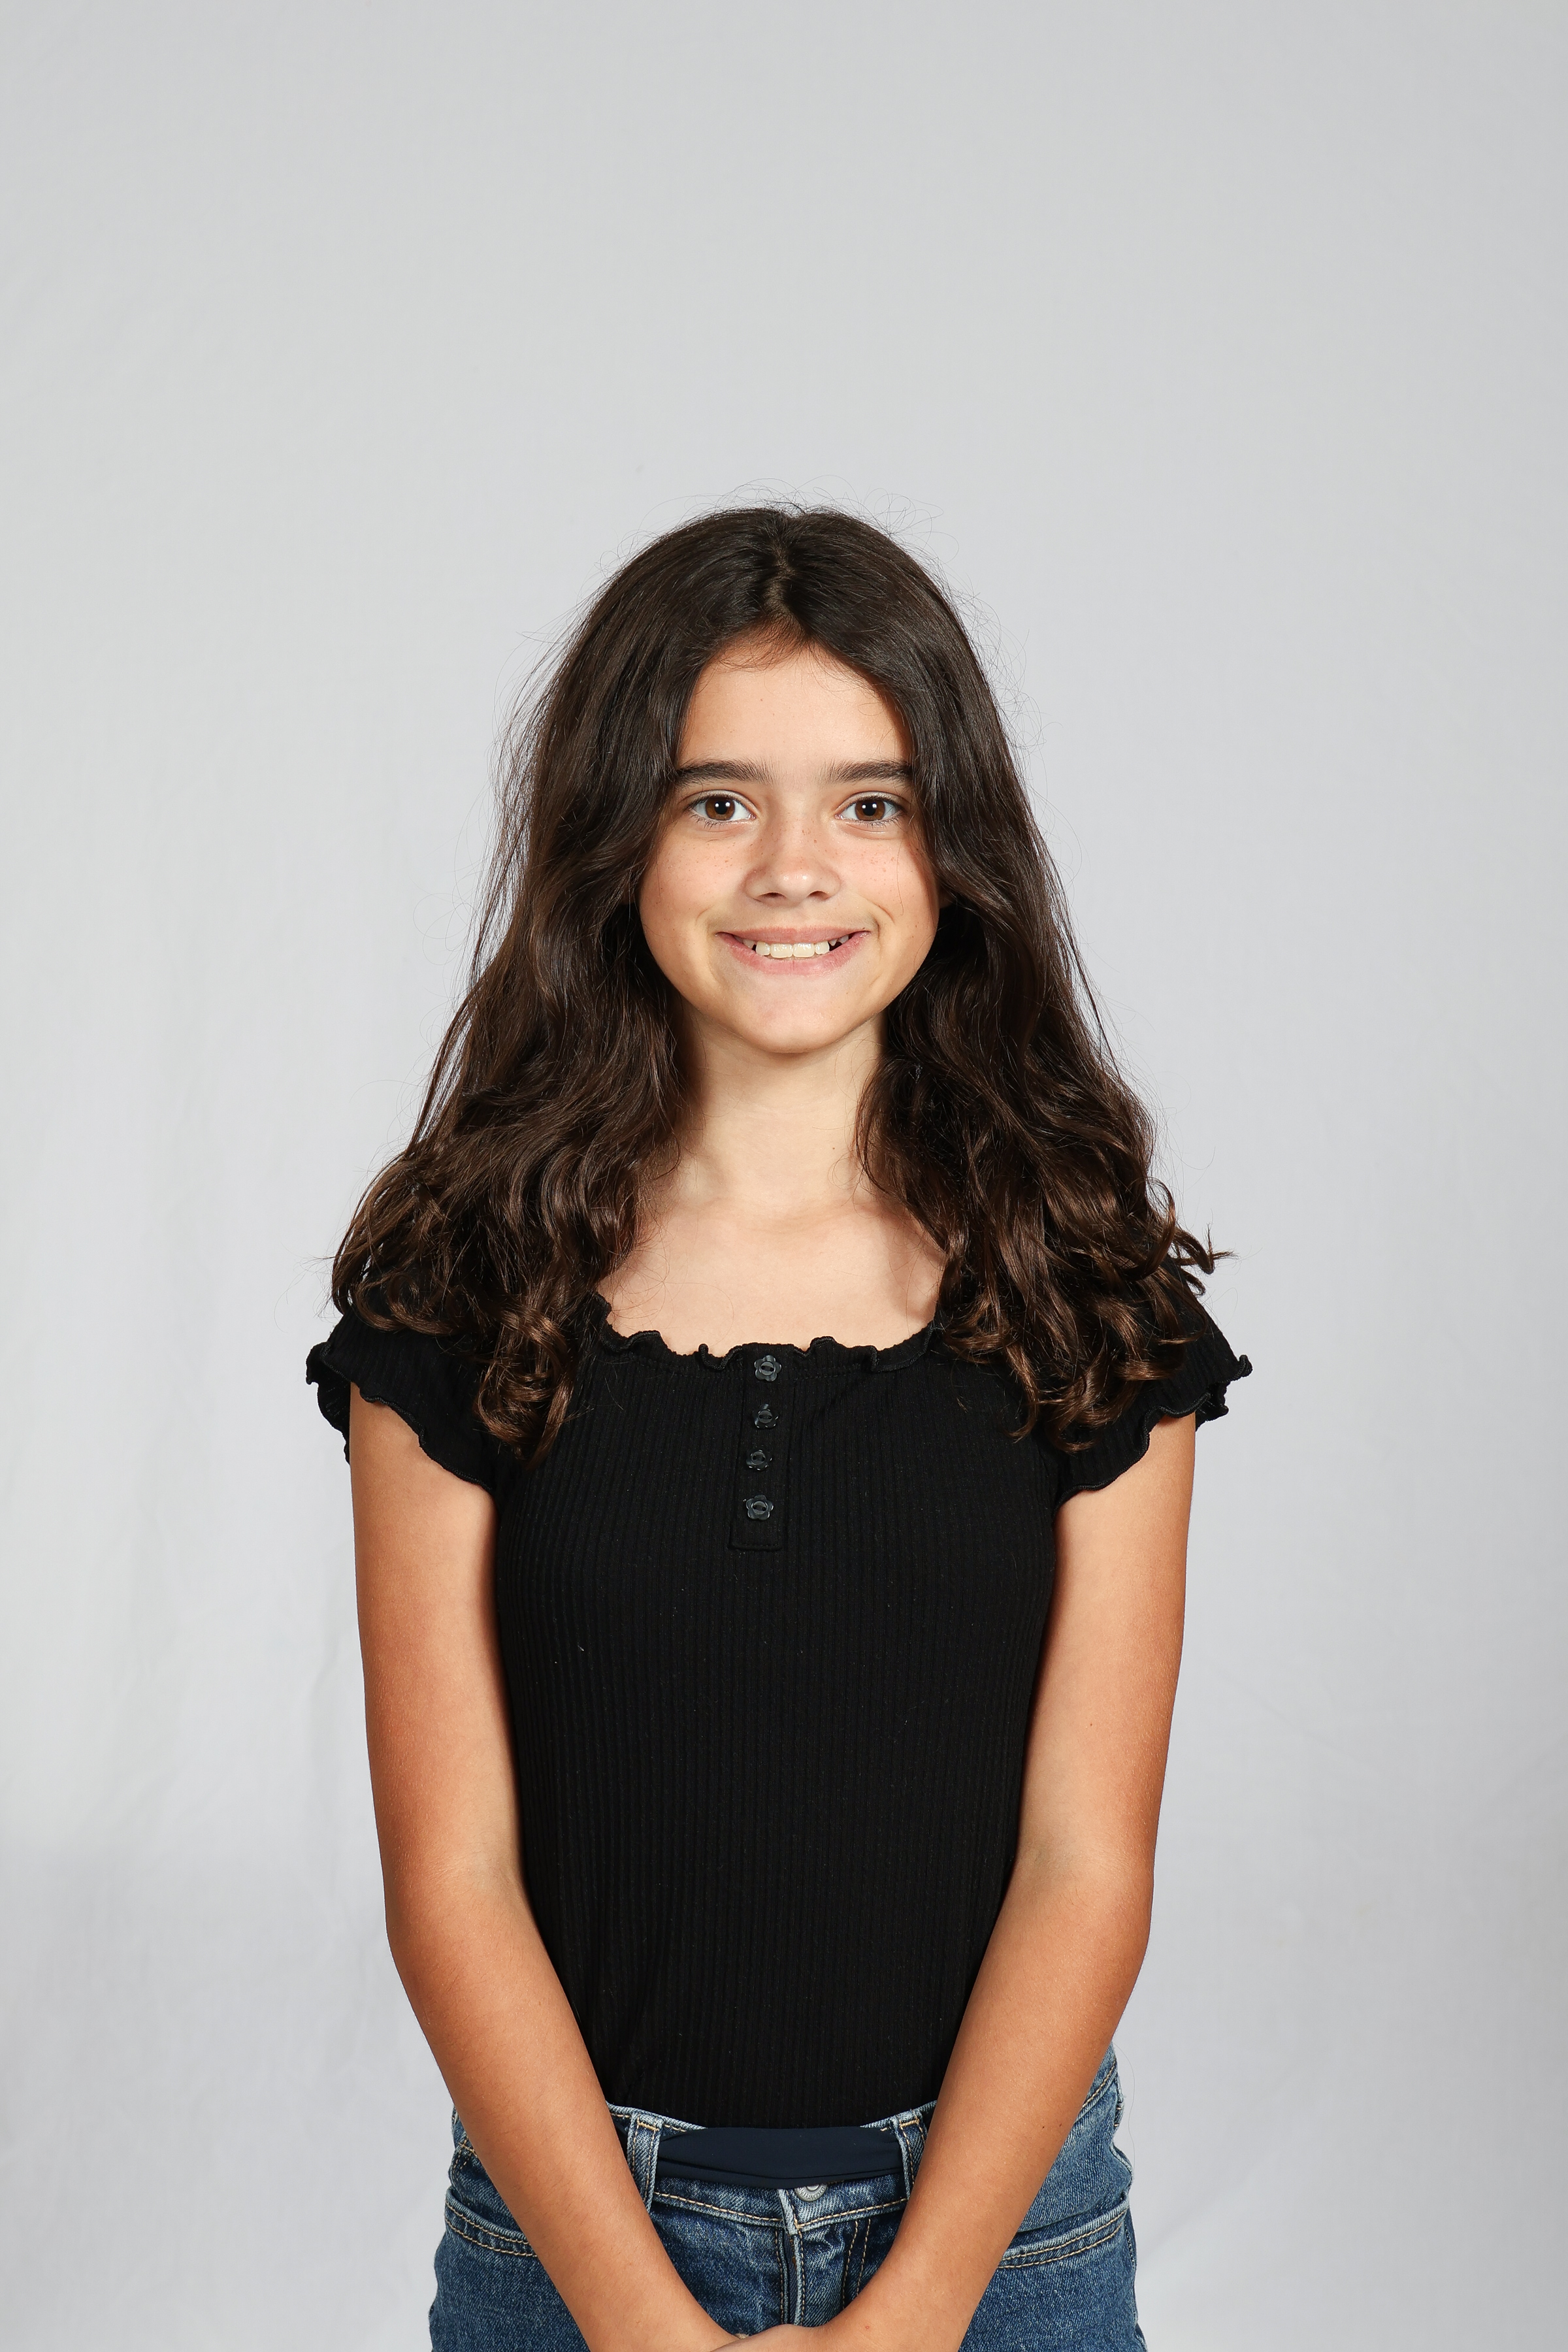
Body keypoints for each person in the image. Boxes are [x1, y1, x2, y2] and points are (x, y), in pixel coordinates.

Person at [307, 506, 1249, 2352]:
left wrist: (916, 2310)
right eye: (719, 800)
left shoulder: (1082, 1284)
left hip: (1005, 2251)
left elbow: (1089, 1864)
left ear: (954, 847)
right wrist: (642, 2323)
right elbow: (451, 1879)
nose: (796, 869)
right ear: (619, 840)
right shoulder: (462, 1282)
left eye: (870, 803)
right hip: (574, 2244)